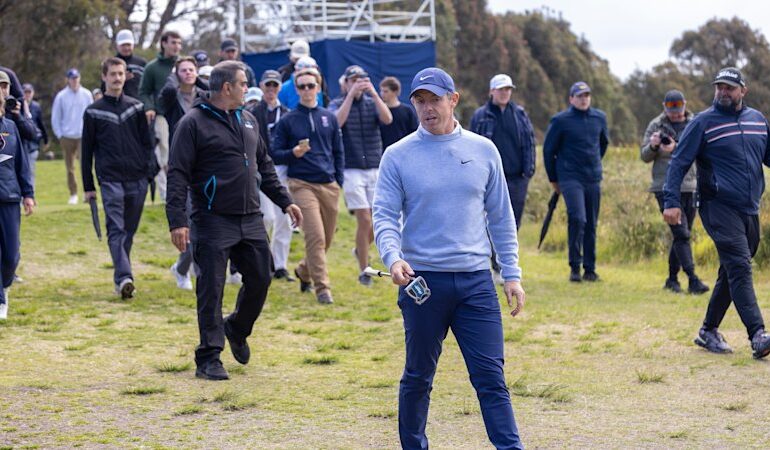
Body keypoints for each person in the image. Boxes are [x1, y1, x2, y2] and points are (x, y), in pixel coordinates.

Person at [372, 67, 525, 450]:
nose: (428, 108)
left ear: (453, 99)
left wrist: (511, 274)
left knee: (491, 377)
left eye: (435, 99)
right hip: (421, 282)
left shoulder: (483, 150)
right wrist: (392, 258)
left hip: (476, 282)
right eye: (420, 101)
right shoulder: (398, 156)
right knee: (419, 376)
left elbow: (501, 217)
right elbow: (385, 216)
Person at [166, 61, 302, 380]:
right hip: (212, 219)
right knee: (211, 289)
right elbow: (177, 175)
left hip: (250, 216)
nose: (246, 88)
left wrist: (285, 201)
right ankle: (209, 357)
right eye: (242, 83)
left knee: (262, 277)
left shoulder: (250, 120)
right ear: (227, 87)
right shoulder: (193, 123)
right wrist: (177, 221)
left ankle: (237, 328)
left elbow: (264, 167)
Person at [663, 67, 770, 359]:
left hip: (749, 208)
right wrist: (671, 202)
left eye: (729, 88)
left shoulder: (758, 121)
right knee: (740, 267)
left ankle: (708, 330)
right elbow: (678, 163)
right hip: (717, 206)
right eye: (719, 87)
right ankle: (758, 334)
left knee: (732, 270)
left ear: (743, 91)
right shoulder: (702, 123)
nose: (723, 92)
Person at [81, 58, 156, 299]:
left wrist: (150, 173)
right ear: (104, 77)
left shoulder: (136, 107)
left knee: (129, 231)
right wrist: (88, 186)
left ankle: (120, 278)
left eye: (121, 74)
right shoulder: (93, 112)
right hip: (110, 179)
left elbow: (147, 144)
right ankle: (126, 276)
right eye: (112, 74)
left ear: (126, 77)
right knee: (116, 229)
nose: (117, 78)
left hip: (137, 179)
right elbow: (86, 152)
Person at [272, 68, 344, 304]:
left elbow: (338, 152)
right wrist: (293, 152)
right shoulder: (288, 120)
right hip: (301, 184)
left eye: (310, 86)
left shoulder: (329, 117)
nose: (306, 90)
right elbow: (275, 153)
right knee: (315, 237)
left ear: (318, 87)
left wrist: (339, 181)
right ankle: (322, 289)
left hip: (329, 184)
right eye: (301, 86)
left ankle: (304, 271)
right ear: (296, 89)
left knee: (327, 239)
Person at [329, 65, 392, 286]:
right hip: (351, 167)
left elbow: (387, 119)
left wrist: (373, 93)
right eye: (352, 80)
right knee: (364, 218)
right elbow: (336, 123)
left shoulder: (371, 102)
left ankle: (360, 248)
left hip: (375, 166)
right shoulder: (337, 103)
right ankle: (364, 270)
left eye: (360, 79)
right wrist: (350, 95)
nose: (357, 83)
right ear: (344, 83)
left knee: (377, 221)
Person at [641, 89, 709, 295]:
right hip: (664, 187)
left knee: (681, 236)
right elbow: (644, 156)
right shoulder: (655, 125)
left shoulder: (695, 122)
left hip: (691, 185)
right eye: (671, 110)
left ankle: (672, 279)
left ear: (685, 105)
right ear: (664, 107)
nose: (676, 114)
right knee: (681, 233)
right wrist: (653, 146)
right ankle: (693, 279)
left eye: (679, 109)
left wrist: (677, 148)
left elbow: (703, 150)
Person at [471, 74, 537, 284]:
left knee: (512, 223)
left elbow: (529, 142)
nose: (504, 93)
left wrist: (529, 170)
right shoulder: (480, 115)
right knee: (488, 223)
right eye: (500, 89)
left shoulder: (520, 114)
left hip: (517, 177)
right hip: (489, 178)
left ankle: (505, 264)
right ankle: (494, 266)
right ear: (491, 92)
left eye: (508, 89)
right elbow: (471, 146)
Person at [543, 81, 609, 282]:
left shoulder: (600, 118)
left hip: (593, 177)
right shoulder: (561, 120)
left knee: (591, 223)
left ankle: (590, 269)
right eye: (579, 96)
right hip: (570, 177)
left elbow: (603, 144)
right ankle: (575, 267)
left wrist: (595, 163)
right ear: (571, 98)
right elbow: (548, 151)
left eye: (586, 95)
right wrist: (554, 179)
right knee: (578, 219)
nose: (583, 99)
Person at [159, 56, 208, 291]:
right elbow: (165, 92)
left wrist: (201, 81)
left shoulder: (205, 96)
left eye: (192, 70)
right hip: (180, 162)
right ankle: (182, 269)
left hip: (205, 164)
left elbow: (212, 89)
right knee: (188, 223)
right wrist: (173, 75)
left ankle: (195, 271)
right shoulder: (171, 97)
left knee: (204, 225)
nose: (188, 73)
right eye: (183, 70)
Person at [247, 69, 294, 282]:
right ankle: (265, 260)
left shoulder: (286, 112)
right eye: (268, 85)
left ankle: (281, 264)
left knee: (284, 218)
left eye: (275, 85)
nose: (271, 90)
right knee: (267, 217)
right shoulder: (253, 112)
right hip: (261, 168)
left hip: (283, 167)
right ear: (262, 86)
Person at [0, 92, 35, 320]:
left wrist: (28, 194)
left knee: (11, 255)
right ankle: (0, 299)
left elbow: (21, 163)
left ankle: (4, 285)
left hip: (10, 197)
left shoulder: (11, 127)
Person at [139, 29, 183, 203]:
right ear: (164, 43)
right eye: (173, 42)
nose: (176, 46)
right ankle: (167, 193)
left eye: (179, 43)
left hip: (183, 115)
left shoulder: (183, 65)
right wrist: (149, 107)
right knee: (166, 152)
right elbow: (144, 91)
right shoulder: (152, 67)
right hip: (162, 116)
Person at [51, 68, 93, 205]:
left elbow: (92, 114)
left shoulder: (87, 94)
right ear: (68, 80)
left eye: (76, 78)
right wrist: (60, 134)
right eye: (72, 78)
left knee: (85, 165)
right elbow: (56, 117)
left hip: (83, 135)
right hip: (67, 136)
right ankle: (73, 193)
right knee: (70, 168)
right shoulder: (61, 96)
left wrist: (91, 133)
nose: (74, 81)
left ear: (79, 78)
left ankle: (88, 192)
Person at [100, 29, 146, 99]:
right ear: (117, 45)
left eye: (128, 45)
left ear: (133, 45)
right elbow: (103, 88)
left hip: (138, 104)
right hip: (116, 104)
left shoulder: (141, 63)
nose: (126, 48)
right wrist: (121, 78)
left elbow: (148, 86)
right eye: (123, 45)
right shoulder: (110, 64)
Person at [378, 76, 418, 149]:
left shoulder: (407, 110)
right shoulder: (379, 111)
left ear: (395, 92)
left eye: (386, 91)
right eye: (381, 91)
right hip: (383, 152)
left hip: (404, 150)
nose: (382, 94)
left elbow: (414, 132)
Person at [23, 83, 49, 181]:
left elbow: (41, 124)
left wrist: (45, 139)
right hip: (22, 143)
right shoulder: (17, 106)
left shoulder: (36, 107)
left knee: (31, 170)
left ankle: (30, 194)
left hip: (33, 144)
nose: (27, 95)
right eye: (25, 92)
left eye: (29, 92)